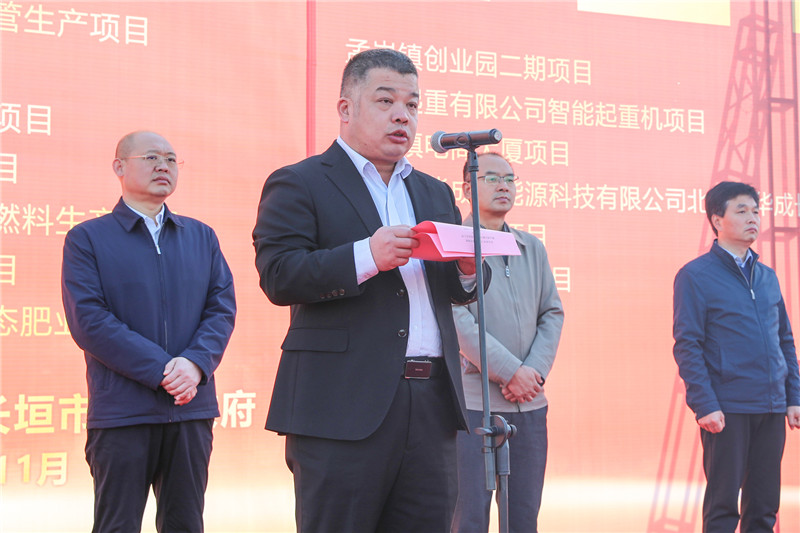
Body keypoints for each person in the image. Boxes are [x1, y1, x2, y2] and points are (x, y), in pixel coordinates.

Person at [253, 48, 489, 532]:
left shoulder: (434, 192)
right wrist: (366, 256)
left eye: (412, 105)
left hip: (431, 405)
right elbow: (279, 274)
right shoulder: (299, 182)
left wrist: (468, 269)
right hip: (341, 406)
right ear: (346, 108)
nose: (403, 115)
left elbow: (455, 287)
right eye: (386, 101)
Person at [61, 131, 236, 532]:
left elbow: (221, 309)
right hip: (123, 412)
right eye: (152, 157)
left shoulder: (201, 236)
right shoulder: (87, 239)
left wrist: (194, 365)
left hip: (190, 408)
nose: (164, 166)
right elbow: (90, 320)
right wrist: (162, 370)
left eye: (171, 159)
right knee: (117, 525)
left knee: (185, 523)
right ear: (119, 167)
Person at [673, 181, 800, 532]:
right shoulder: (695, 276)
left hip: (771, 406)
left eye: (756, 211)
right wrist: (705, 404)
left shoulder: (767, 277)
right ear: (717, 220)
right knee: (723, 506)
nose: (752, 218)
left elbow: (784, 340)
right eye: (741, 211)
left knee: (764, 506)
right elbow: (687, 345)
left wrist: (793, 396)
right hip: (727, 408)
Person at [450, 153, 564, 533]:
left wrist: (532, 373)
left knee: (523, 518)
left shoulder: (532, 247)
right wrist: (510, 371)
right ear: (467, 188)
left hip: (529, 404)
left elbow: (552, 313)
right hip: (472, 406)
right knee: (468, 519)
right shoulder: (454, 245)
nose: (504, 186)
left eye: (510, 179)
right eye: (492, 178)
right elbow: (455, 317)